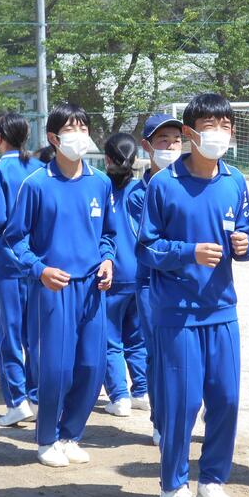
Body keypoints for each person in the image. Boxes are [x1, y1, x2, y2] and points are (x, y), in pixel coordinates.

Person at [137, 93, 249, 497]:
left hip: (222, 309)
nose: (219, 133)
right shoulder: (164, 184)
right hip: (177, 312)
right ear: (190, 133)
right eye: (209, 126)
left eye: (225, 126)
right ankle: (172, 487)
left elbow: (248, 232)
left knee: (226, 399)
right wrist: (189, 253)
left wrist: (244, 245)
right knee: (182, 403)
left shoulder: (235, 180)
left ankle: (212, 481)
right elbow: (146, 248)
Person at [5, 102, 115, 468]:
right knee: (57, 369)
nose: (80, 135)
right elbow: (14, 239)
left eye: (84, 128)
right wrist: (39, 270)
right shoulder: (37, 184)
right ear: (53, 138)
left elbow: (109, 234)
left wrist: (108, 259)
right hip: (54, 288)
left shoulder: (100, 182)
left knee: (92, 367)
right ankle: (47, 438)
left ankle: (71, 435)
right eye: (71, 129)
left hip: (93, 289)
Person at [0, 114, 42, 427]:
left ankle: (17, 401)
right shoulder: (40, 168)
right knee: (36, 336)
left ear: (0, 137)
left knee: (9, 335)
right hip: (38, 263)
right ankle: (38, 397)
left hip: (7, 260)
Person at [129, 113, 185, 444]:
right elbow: (153, 242)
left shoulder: (192, 184)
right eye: (163, 140)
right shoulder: (139, 194)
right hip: (152, 283)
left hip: (189, 281)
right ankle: (161, 419)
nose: (171, 146)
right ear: (147, 146)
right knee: (159, 354)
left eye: (176, 140)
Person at [101, 133, 147, 418]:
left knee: (110, 339)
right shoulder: (143, 190)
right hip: (140, 273)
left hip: (111, 275)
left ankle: (119, 395)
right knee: (137, 336)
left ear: (107, 159)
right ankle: (142, 390)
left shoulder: (98, 187)